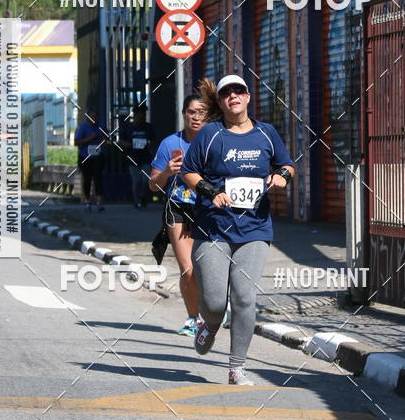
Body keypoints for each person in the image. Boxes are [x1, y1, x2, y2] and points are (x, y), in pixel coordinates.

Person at [180, 75, 295, 386]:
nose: (233, 96)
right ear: (220, 101)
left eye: (238, 91)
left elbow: (287, 164)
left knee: (244, 297)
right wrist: (209, 191)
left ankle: (236, 367)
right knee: (216, 303)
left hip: (255, 229)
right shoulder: (210, 135)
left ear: (247, 97)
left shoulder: (266, 133)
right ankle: (210, 325)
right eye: (226, 92)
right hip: (213, 230)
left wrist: (282, 175)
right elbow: (188, 171)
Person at [149, 94, 207, 336]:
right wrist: (166, 172)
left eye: (202, 113)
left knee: (211, 267)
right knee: (188, 268)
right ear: (184, 114)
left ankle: (214, 308)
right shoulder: (169, 143)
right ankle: (194, 318)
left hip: (210, 209)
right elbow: (153, 185)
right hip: (179, 208)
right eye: (191, 112)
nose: (196, 117)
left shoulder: (216, 141)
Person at [120, 104, 155, 209]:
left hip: (146, 159)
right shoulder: (128, 128)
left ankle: (143, 196)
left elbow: (153, 140)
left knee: (145, 180)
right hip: (132, 159)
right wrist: (127, 144)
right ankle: (137, 201)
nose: (141, 118)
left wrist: (148, 143)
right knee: (136, 181)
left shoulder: (148, 127)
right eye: (139, 116)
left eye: (142, 116)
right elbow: (121, 140)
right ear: (134, 116)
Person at [74, 108, 107, 212]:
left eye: (95, 116)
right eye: (91, 116)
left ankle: (99, 202)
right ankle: (87, 201)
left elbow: (107, 137)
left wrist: (104, 138)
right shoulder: (82, 127)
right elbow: (76, 142)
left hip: (98, 156)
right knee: (87, 179)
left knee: (98, 178)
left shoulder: (101, 126)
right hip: (85, 157)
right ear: (87, 117)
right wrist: (90, 138)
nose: (94, 118)